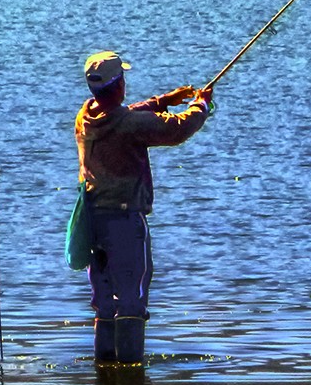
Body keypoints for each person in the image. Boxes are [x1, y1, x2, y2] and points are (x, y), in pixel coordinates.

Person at [75, 50, 213, 364]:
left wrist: (163, 100)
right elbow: (177, 128)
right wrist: (200, 105)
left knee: (105, 303)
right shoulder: (129, 125)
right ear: (119, 85)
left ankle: (105, 369)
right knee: (131, 302)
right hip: (124, 222)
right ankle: (130, 372)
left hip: (92, 221)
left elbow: (128, 114)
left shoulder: (86, 116)